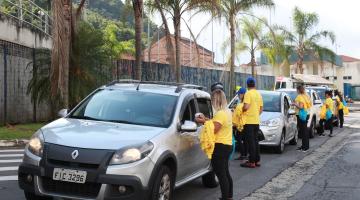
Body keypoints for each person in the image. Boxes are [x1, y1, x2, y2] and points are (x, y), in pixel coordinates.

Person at [196, 89, 233, 200]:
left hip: (220, 146)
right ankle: (229, 196)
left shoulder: (220, 114)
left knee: (221, 174)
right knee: (225, 172)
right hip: (227, 145)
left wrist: (203, 122)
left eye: (212, 100)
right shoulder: (227, 111)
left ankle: (225, 197)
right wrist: (206, 119)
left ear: (216, 100)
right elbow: (215, 122)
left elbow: (214, 129)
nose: (211, 102)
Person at [240, 77, 263, 168]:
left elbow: (246, 107)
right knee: (256, 141)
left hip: (249, 121)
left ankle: (251, 161)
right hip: (256, 121)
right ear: (254, 84)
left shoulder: (248, 94)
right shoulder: (258, 94)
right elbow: (261, 109)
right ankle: (257, 160)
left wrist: (242, 109)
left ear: (247, 85)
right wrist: (256, 114)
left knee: (250, 142)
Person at [293, 85, 311, 152]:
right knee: (305, 131)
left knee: (303, 131)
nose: (296, 91)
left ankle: (305, 147)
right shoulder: (306, 95)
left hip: (301, 115)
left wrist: (294, 104)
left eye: (296, 90)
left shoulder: (300, 96)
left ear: (298, 90)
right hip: (306, 114)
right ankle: (305, 146)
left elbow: (301, 107)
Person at [232, 87, 247, 161]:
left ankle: (243, 155)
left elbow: (237, 116)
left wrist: (234, 124)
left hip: (240, 125)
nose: (238, 95)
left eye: (239, 94)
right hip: (244, 125)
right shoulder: (245, 104)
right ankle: (244, 154)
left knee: (239, 139)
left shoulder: (241, 105)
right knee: (243, 140)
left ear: (243, 94)